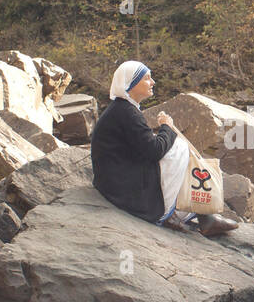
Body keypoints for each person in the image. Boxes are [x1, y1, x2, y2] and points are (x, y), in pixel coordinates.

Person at [90, 60, 237, 236]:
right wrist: (166, 126)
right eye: (146, 78)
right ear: (130, 84)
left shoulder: (122, 109)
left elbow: (142, 146)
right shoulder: (126, 112)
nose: (153, 82)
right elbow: (155, 151)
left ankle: (204, 216)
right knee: (180, 148)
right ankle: (202, 217)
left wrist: (164, 132)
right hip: (123, 186)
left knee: (174, 149)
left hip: (115, 179)